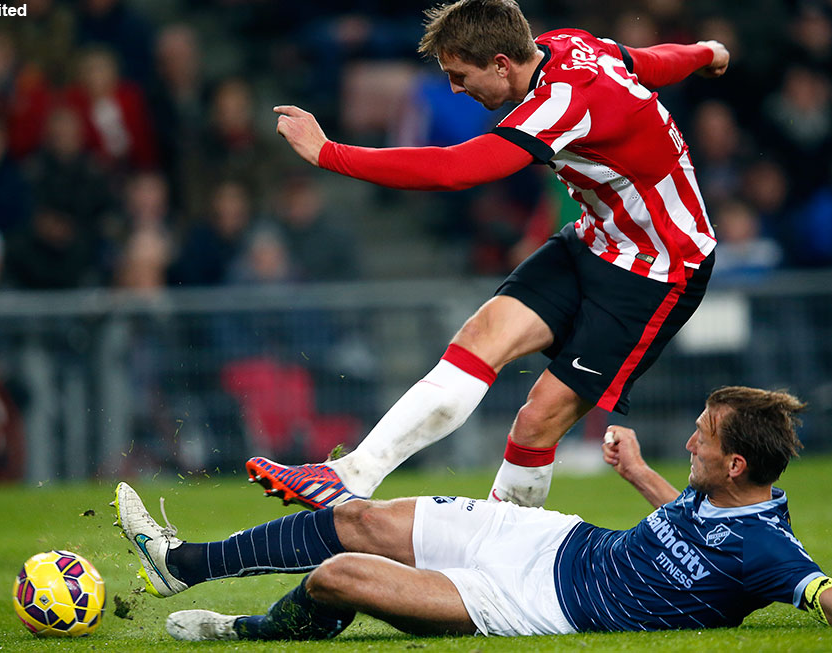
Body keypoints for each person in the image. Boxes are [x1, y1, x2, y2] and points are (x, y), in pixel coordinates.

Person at [247, 0, 729, 509]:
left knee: (537, 419)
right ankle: (348, 476)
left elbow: (456, 169)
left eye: (460, 75)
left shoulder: (561, 103)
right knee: (479, 337)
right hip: (596, 240)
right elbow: (645, 62)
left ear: (501, 63)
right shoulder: (569, 44)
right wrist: (704, 52)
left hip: (661, 271)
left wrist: (329, 153)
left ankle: (505, 559)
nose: (456, 88)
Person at [114, 386, 832, 640]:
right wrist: (639, 474)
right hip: (548, 537)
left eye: (703, 436)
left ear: (737, 466)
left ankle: (242, 632)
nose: (690, 437)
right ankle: (180, 563)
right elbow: (687, 522)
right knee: (359, 517)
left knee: (339, 573)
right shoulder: (718, 490)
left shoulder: (771, 550)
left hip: (535, 602)